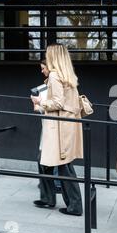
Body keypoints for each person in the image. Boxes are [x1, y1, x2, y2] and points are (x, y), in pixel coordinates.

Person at [31, 43, 83, 216]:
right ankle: (50, 199)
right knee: (48, 161)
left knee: (62, 165)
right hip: (67, 125)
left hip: (58, 127)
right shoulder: (67, 75)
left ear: (53, 56)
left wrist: (40, 103)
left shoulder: (54, 75)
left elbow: (58, 103)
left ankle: (74, 206)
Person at [34, 60, 62, 194]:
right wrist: (38, 104)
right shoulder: (44, 87)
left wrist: (40, 103)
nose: (42, 71)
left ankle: (53, 184)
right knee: (47, 154)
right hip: (48, 125)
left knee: (49, 155)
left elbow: (56, 105)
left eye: (43, 68)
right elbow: (39, 109)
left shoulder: (54, 85)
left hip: (54, 126)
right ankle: (50, 184)